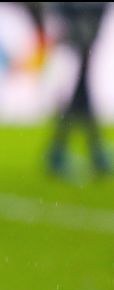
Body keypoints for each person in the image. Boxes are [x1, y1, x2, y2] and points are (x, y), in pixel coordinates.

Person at [45, 2, 111, 177]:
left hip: (83, 33)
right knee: (80, 91)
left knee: (80, 91)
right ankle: (65, 151)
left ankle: (60, 150)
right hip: (79, 34)